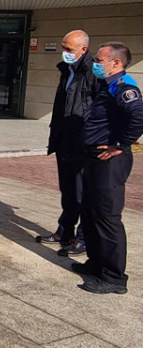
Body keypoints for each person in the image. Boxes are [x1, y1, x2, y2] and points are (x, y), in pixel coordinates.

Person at [73, 42, 143, 295]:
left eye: (100, 60)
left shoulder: (124, 88)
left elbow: (138, 116)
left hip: (110, 161)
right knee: (90, 213)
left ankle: (114, 277)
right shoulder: (108, 85)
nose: (96, 64)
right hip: (94, 158)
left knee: (107, 217)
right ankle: (96, 264)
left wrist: (120, 144)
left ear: (116, 63)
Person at [37, 30, 100, 256]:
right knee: (68, 191)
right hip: (64, 140)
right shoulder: (67, 70)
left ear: (83, 49)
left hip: (83, 143)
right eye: (63, 47)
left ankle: (82, 239)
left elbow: (99, 109)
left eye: (69, 49)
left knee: (83, 194)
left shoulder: (94, 71)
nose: (65, 52)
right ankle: (65, 231)